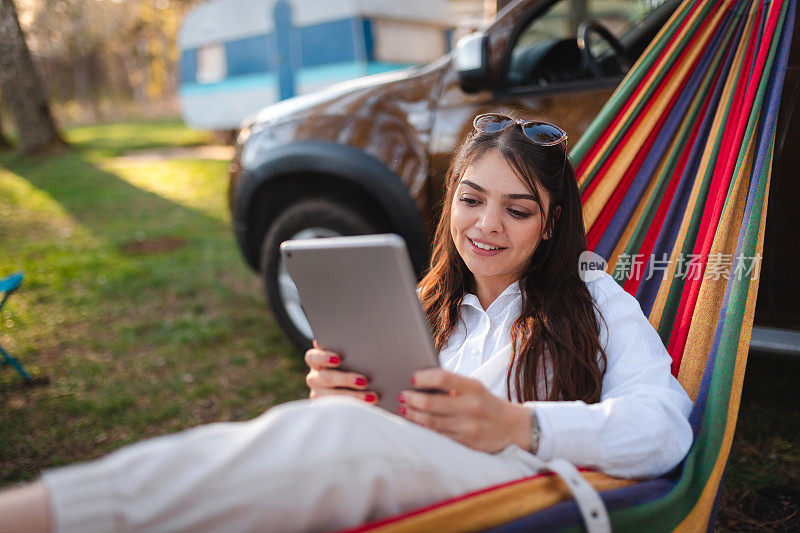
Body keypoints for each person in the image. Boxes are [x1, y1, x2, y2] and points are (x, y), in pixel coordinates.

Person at [0, 113, 693, 532]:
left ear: (549, 226)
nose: (486, 225)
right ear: (449, 201)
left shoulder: (593, 299)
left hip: (522, 490)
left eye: (518, 209)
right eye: (472, 199)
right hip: (398, 471)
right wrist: (345, 394)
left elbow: (665, 424)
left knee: (333, 441)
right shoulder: (422, 300)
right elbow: (383, 422)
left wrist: (521, 424)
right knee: (318, 434)